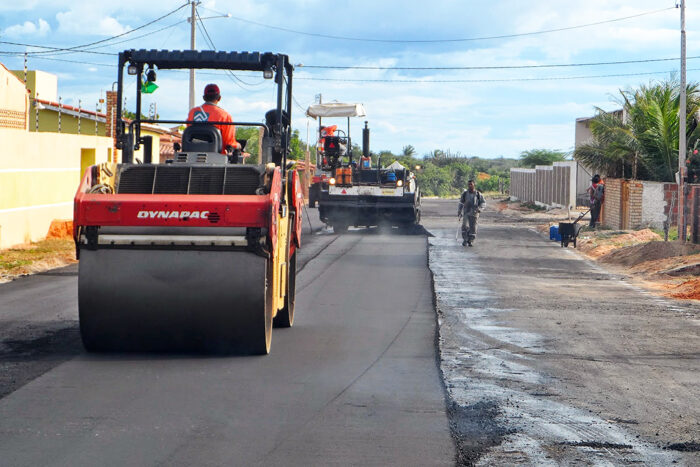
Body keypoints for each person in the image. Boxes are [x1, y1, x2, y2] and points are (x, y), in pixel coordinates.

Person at [187, 83, 240, 155]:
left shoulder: (192, 113)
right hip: (217, 159)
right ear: (219, 98)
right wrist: (238, 145)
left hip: (191, 156)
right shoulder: (225, 116)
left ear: (204, 98)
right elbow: (228, 143)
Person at [458, 179, 485, 247]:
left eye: (471, 184)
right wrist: (459, 211)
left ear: (474, 185)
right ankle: (465, 240)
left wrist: (480, 209)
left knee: (473, 228)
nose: (469, 186)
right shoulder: (465, 194)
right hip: (466, 212)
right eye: (468, 184)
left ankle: (471, 241)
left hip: (475, 213)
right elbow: (461, 203)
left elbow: (483, 203)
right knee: (464, 226)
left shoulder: (478, 194)